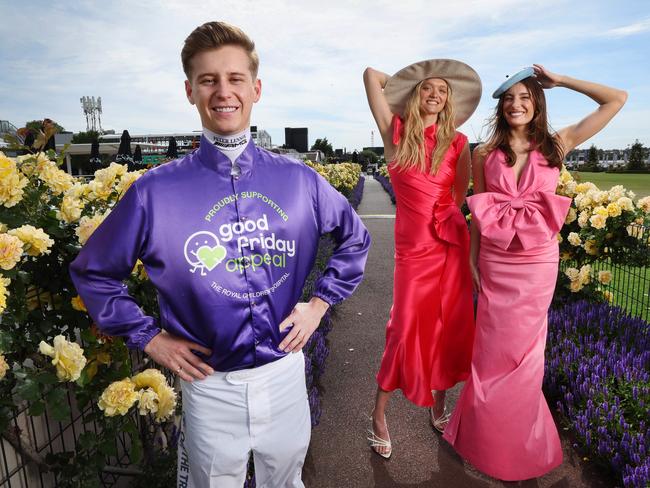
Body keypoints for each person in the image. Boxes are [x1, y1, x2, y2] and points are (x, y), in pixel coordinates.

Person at [70, 21, 370, 488]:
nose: (222, 91)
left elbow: (355, 239)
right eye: (208, 80)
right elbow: (94, 272)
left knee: (287, 482)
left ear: (256, 88)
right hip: (209, 385)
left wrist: (319, 304)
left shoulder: (300, 180)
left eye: (234, 79)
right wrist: (150, 337)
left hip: (285, 373)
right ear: (190, 90)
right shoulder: (154, 191)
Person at [443, 65, 627, 481]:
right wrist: (472, 259)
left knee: (526, 360)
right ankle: (484, 442)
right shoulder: (483, 154)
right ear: (501, 107)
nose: (516, 104)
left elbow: (616, 99)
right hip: (495, 261)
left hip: (537, 264)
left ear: (537, 102)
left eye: (525, 97)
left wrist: (562, 80)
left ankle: (517, 450)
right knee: (490, 356)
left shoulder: (558, 144)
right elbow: (478, 211)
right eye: (509, 98)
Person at [363, 59, 481, 458]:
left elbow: (461, 192)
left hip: (450, 244)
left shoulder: (460, 142)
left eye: (442, 90)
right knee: (404, 328)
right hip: (412, 252)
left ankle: (439, 406)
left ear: (449, 101)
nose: (435, 95)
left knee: (448, 326)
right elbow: (370, 75)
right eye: (427, 88)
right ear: (415, 95)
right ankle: (378, 416)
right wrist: (409, 78)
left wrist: (446, 216)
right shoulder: (394, 132)